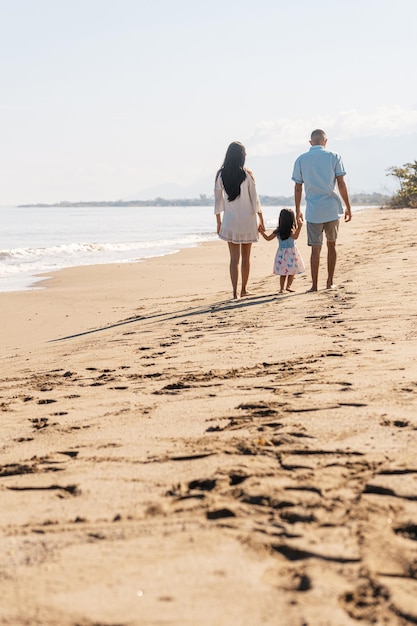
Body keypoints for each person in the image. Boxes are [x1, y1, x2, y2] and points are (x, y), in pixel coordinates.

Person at [292, 129, 352, 291]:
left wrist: (297, 210)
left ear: (310, 142)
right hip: (331, 209)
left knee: (315, 249)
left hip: (313, 210)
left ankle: (314, 285)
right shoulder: (334, 156)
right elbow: (341, 183)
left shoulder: (301, 159)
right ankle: (329, 282)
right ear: (325, 141)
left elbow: (298, 187)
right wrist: (348, 206)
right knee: (332, 246)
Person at [214, 141, 265, 299]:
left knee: (234, 259)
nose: (246, 155)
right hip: (247, 219)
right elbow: (254, 200)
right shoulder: (247, 174)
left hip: (230, 221)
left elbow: (218, 201)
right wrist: (261, 219)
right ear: (240, 156)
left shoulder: (221, 175)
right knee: (246, 257)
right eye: (244, 153)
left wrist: (219, 221)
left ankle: (235, 293)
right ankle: (244, 289)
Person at [260, 208, 305, 293]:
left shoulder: (278, 231)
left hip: (282, 254)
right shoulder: (291, 230)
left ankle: (282, 288)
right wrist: (299, 227)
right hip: (292, 253)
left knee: (283, 273)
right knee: (292, 271)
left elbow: (268, 238)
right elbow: (295, 237)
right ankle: (288, 286)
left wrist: (262, 232)